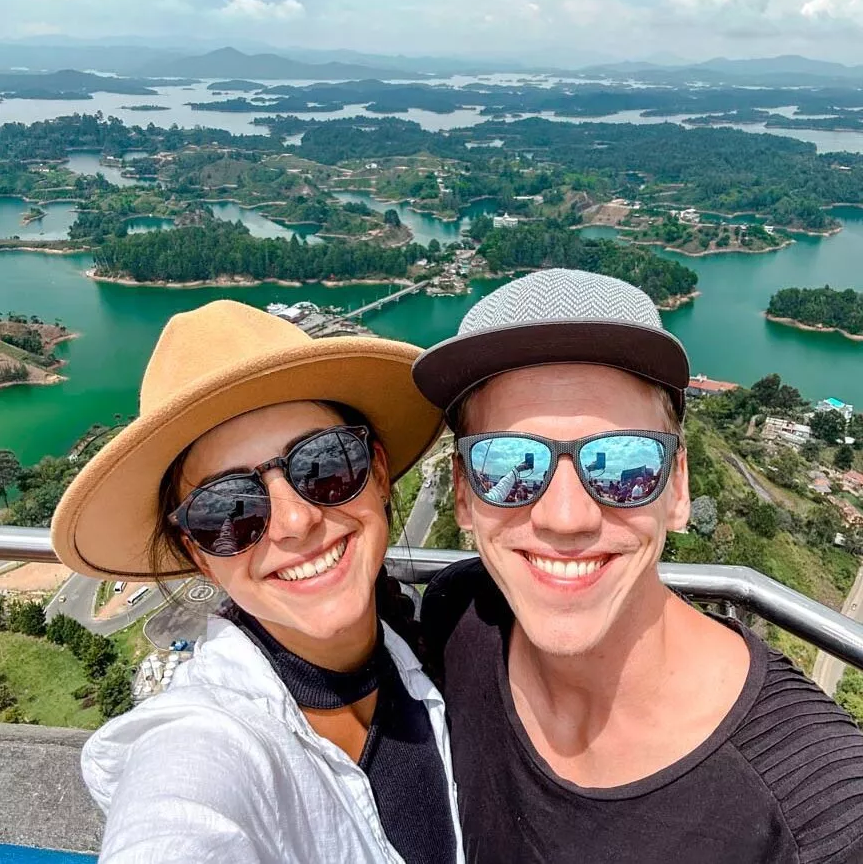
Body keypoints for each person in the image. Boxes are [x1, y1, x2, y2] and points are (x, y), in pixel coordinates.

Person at [412, 269, 863, 863]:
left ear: (677, 487)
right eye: (507, 464)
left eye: (619, 463)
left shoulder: (817, 813)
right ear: (464, 495)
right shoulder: (459, 618)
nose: (566, 517)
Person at [52, 300, 463, 864]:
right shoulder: (203, 742)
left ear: (379, 471)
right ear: (196, 553)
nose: (296, 522)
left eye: (326, 465)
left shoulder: (443, 652)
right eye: (228, 510)